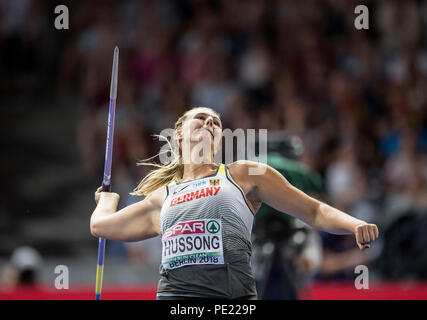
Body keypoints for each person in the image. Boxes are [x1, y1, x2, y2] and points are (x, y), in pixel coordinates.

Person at [90, 106, 379, 300]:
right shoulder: (162, 196)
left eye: (216, 123)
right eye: (201, 118)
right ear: (178, 134)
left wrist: (354, 224)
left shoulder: (243, 174)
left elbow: (313, 210)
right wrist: (107, 200)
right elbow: (100, 225)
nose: (210, 123)